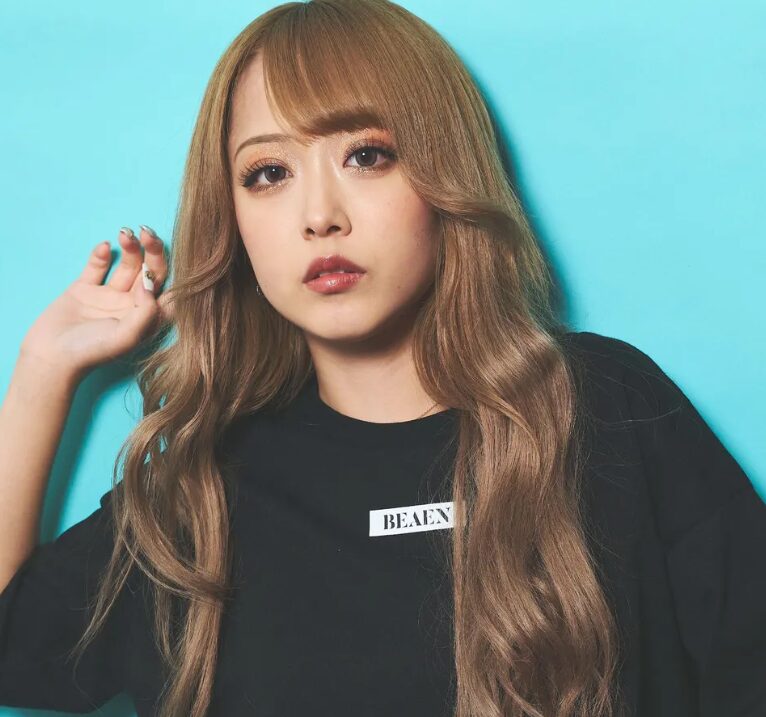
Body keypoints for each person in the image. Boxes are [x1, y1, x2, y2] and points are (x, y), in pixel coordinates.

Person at [1, 1, 764, 716]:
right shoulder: (200, 490)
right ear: (232, 221)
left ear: (444, 175)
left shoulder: (610, 410)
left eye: (367, 155)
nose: (319, 215)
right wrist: (43, 370)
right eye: (269, 173)